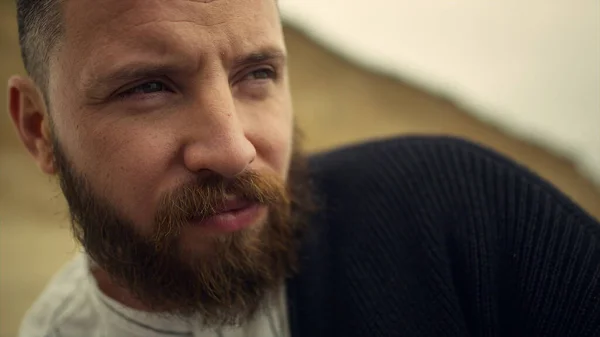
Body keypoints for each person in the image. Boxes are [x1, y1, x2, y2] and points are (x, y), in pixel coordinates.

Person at [7, 0, 600, 336]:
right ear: (40, 130)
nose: (235, 149)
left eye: (257, 74)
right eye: (148, 87)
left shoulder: (460, 217)